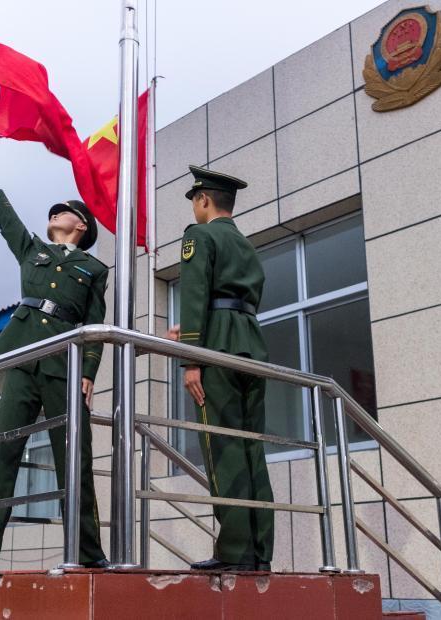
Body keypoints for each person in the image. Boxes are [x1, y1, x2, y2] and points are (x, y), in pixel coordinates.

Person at [0, 159, 109, 571]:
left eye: (61, 211)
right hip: (23, 357)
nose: (52, 216)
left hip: (64, 363)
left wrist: (88, 372)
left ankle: (89, 554)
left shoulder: (94, 269)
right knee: (3, 454)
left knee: (74, 460)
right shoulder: (32, 251)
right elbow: (7, 222)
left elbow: (95, 323)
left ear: (80, 225)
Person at [167, 165, 274, 572]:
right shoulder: (245, 244)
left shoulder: (199, 235)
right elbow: (233, 302)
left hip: (217, 353)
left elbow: (195, 295)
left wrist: (193, 359)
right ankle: (260, 552)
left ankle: (234, 553)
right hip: (249, 346)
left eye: (195, 201)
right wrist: (200, 333)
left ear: (204, 200)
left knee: (222, 448)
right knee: (251, 449)